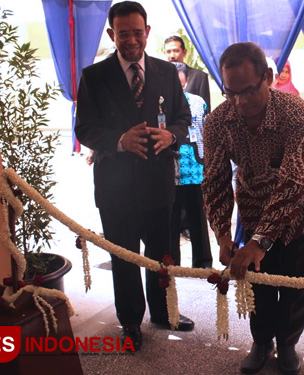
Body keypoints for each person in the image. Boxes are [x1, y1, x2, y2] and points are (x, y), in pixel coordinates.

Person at [74, 1, 195, 351]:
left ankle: (163, 312)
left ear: (147, 32)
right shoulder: (94, 76)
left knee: (163, 255)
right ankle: (130, 323)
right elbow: (84, 128)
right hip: (116, 188)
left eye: (137, 32)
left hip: (159, 183)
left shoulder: (166, 72)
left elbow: (184, 118)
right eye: (123, 33)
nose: (131, 40)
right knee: (125, 257)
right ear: (112, 34)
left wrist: (172, 134)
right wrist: (118, 141)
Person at [202, 42, 304, 375]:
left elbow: (293, 181)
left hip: (302, 211)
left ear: (268, 78)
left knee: (296, 282)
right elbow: (213, 181)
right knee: (257, 280)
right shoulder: (217, 123)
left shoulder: (295, 112)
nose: (240, 102)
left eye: (248, 91)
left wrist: (261, 240)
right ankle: (261, 341)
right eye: (231, 93)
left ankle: (287, 345)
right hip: (254, 208)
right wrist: (224, 233)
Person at [169, 62, 213, 269]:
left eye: (180, 82)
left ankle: (203, 261)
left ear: (186, 81)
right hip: (168, 168)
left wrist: (207, 160)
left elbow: (204, 132)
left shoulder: (197, 102)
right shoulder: (160, 103)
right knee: (171, 218)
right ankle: (171, 262)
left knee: (197, 215)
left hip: (194, 166)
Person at [164, 35, 211, 113]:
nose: (172, 56)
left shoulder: (199, 77)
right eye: (168, 52)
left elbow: (205, 111)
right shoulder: (160, 76)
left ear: (184, 52)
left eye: (176, 51)